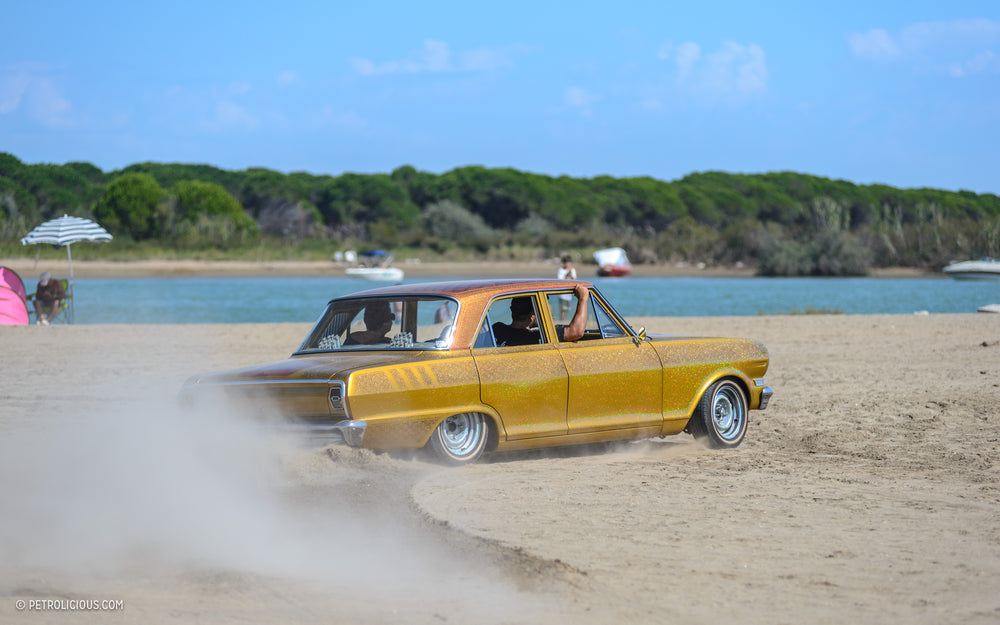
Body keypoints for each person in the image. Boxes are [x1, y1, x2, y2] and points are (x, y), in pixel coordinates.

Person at [491, 284, 590, 346]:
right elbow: (576, 332)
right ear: (532, 315)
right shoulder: (534, 338)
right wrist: (583, 299)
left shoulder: (496, 329)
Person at [557, 255, 577, 321]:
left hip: (569, 293)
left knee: (567, 309)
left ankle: (564, 320)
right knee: (563, 309)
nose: (567, 264)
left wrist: (570, 273)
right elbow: (561, 281)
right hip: (562, 293)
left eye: (568, 262)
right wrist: (567, 273)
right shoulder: (561, 270)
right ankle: (562, 320)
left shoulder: (572, 270)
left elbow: (574, 280)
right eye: (566, 262)